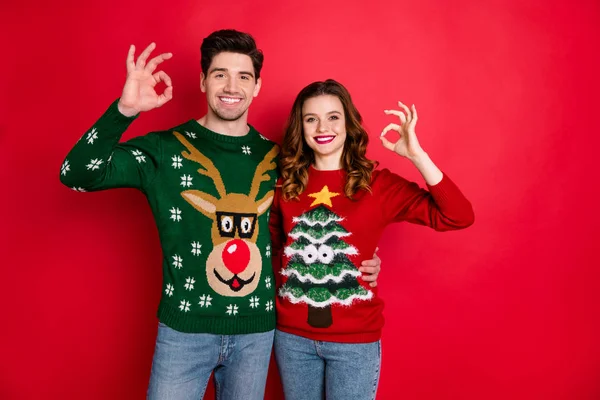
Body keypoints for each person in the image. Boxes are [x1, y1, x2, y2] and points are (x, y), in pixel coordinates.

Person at [59, 31, 380, 399]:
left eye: (244, 76)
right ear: (202, 80)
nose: (232, 86)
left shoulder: (281, 160)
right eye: (220, 74)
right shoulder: (165, 150)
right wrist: (124, 111)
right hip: (184, 333)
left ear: (257, 86)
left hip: (256, 336)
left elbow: (315, 222)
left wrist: (361, 257)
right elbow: (76, 173)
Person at [269, 79, 475, 400]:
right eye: (312, 118)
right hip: (292, 340)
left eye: (333, 117)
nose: (323, 126)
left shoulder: (377, 186)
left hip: (354, 343)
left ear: (349, 123)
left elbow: (457, 215)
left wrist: (417, 155)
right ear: (301, 127)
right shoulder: (286, 185)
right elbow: (274, 252)